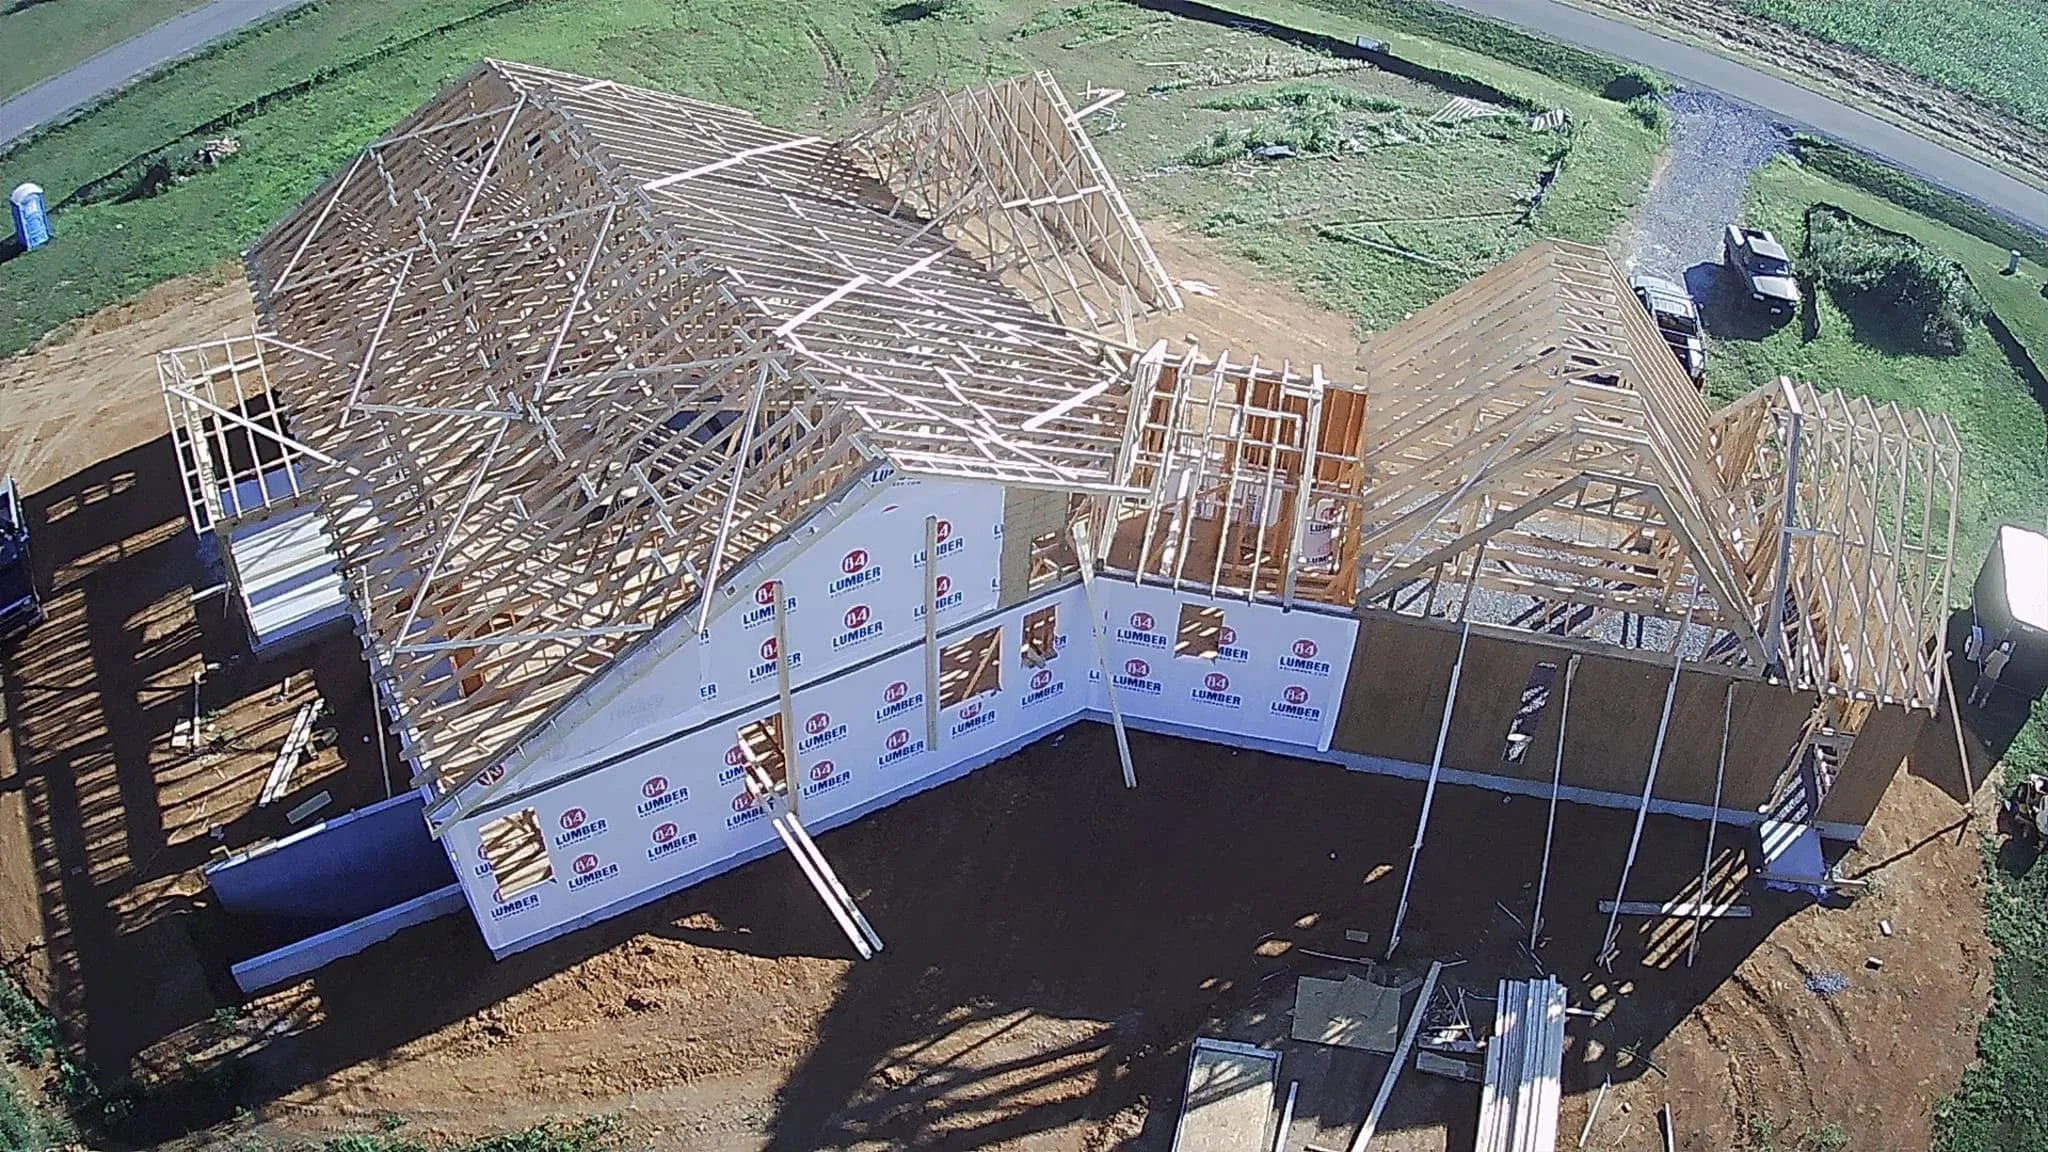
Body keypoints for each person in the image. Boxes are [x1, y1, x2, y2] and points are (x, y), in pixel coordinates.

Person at [1972, 639, 2014, 708]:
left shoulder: (1995, 653)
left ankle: (1973, 696)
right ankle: (1984, 700)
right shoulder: (2005, 658)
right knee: (1988, 690)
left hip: (1987, 672)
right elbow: (2009, 654)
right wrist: (2013, 646)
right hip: (1994, 677)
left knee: (1977, 685)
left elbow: (1987, 660)